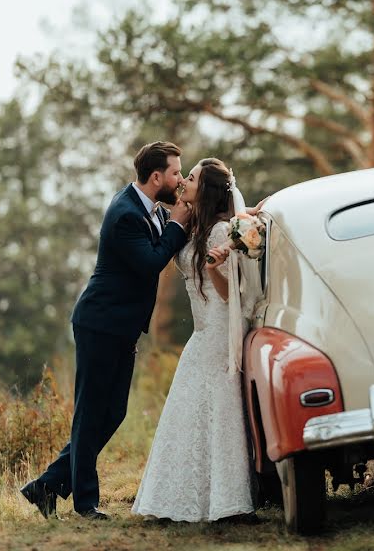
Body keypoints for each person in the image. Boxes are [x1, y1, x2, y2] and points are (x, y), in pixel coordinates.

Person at [20, 141, 191, 520]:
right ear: (157, 176)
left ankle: (45, 486)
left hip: (121, 328)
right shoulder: (125, 214)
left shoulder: (151, 208)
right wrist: (178, 224)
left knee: (112, 413)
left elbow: (165, 241)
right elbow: (150, 263)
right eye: (176, 172)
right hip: (100, 324)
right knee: (91, 413)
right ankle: (85, 503)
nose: (180, 180)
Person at [131, 157, 264, 523]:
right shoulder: (196, 226)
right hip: (202, 331)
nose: (183, 182)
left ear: (203, 190)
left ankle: (228, 501)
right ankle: (179, 495)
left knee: (219, 411)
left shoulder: (221, 233)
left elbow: (228, 295)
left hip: (220, 329)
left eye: (190, 178)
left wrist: (212, 268)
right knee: (188, 406)